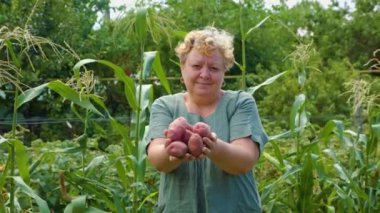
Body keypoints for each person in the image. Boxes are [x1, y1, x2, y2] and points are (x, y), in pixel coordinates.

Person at [145, 26, 268, 212]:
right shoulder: (165, 106)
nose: (204, 74)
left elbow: (245, 160)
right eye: (196, 66)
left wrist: (212, 146)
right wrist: (174, 150)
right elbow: (157, 159)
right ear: (182, 68)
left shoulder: (240, 103)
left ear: (224, 72)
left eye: (214, 68)